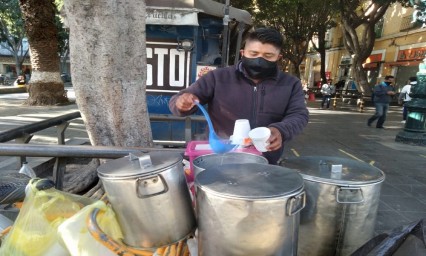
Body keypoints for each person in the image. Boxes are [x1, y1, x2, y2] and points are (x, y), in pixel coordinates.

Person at [168, 27, 309, 164]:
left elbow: (299, 114)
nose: (259, 60)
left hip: (265, 160)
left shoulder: (290, 84)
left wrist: (281, 130)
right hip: (219, 158)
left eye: (268, 56)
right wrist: (182, 103)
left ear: (278, 57)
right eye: (253, 54)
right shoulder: (218, 78)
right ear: (243, 53)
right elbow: (178, 101)